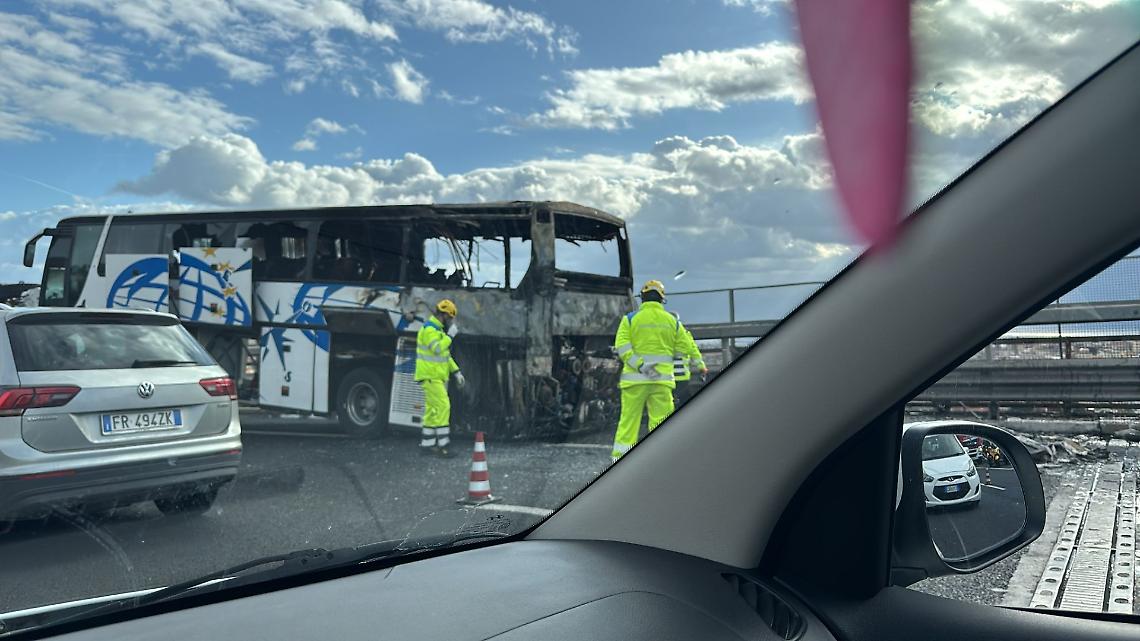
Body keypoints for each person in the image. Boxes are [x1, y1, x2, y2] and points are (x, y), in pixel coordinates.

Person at [611, 280, 688, 462]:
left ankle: (620, 461)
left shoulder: (629, 320)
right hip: (661, 381)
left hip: (634, 382)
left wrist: (641, 365)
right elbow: (683, 349)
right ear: (662, 299)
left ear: (642, 298)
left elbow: (622, 347)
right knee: (661, 422)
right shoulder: (673, 322)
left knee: (629, 423)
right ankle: (659, 461)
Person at [415, 299, 466, 458]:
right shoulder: (430, 330)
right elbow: (438, 349)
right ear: (443, 315)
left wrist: (456, 371)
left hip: (433, 376)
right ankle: (444, 446)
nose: (450, 322)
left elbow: (445, 356)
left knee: (431, 411)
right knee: (444, 406)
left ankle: (427, 445)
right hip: (431, 377)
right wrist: (450, 336)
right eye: (449, 318)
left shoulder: (437, 331)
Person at [671, 311, 708, 407]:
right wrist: (701, 367)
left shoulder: (660, 335)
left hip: (664, 376)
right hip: (682, 376)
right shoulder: (685, 334)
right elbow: (694, 352)